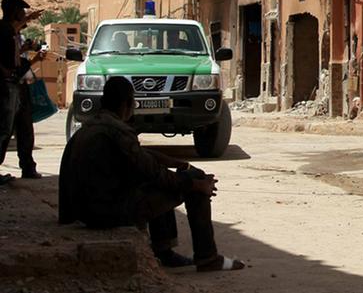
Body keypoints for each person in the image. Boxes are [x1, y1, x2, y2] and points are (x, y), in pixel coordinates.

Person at [59, 76, 245, 272]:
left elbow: (140, 155)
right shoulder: (118, 132)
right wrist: (197, 185)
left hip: (86, 210)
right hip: (106, 213)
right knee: (186, 181)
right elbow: (154, 173)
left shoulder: (92, 127)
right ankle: (207, 257)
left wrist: (173, 162)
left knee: (167, 180)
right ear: (127, 104)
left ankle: (164, 251)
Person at [0, 0, 38, 185]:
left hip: (14, 83)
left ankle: (27, 167)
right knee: (3, 128)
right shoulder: (3, 30)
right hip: (6, 85)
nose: (24, 15)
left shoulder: (11, 32)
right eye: (21, 11)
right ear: (14, 11)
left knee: (13, 128)